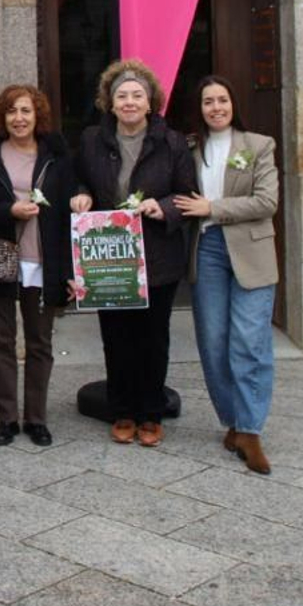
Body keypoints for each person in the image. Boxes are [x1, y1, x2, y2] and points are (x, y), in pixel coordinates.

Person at [70, 59, 198, 448]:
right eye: (121, 95)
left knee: (153, 338)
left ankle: (151, 412)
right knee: (116, 336)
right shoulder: (92, 139)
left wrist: (164, 207)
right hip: (109, 255)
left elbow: (187, 194)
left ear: (150, 101)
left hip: (157, 254)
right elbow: (79, 178)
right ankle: (123, 410)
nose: (129, 102)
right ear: (109, 103)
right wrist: (81, 195)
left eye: (137, 95)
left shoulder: (172, 142)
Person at [173, 75, 280, 474]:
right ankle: (233, 420)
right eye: (208, 101)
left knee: (250, 340)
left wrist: (213, 208)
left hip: (251, 251)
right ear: (199, 108)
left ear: (233, 104)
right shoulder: (189, 148)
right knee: (213, 341)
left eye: (222, 100)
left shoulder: (259, 145)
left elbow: (267, 202)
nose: (216, 107)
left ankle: (251, 430)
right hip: (207, 250)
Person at [0, 85, 75, 447]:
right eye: (11, 111)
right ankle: (7, 419)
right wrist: (8, 210)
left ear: (37, 115)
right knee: (2, 341)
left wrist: (71, 269)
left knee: (40, 342)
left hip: (44, 260)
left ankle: (36, 419)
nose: (19, 118)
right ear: (2, 117)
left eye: (26, 110)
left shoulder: (57, 156)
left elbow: (69, 214)